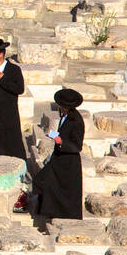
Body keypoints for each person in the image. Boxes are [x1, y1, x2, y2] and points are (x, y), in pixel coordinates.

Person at [39, 88, 85, 221]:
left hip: (69, 163)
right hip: (60, 158)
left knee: (66, 193)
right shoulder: (64, 116)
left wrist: (61, 142)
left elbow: (77, 146)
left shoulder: (76, 120)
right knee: (46, 182)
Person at [0, 38, 26, 159]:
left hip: (9, 114)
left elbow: (19, 89)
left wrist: (3, 80)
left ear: (1, 54)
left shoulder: (14, 70)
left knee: (12, 143)